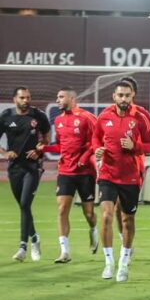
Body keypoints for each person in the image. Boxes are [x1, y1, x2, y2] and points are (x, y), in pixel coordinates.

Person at [92, 81, 150, 282]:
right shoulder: (104, 116)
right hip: (108, 174)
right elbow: (96, 139)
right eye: (120, 95)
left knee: (127, 220)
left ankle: (123, 261)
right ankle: (109, 263)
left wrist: (135, 145)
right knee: (106, 216)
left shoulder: (141, 116)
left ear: (132, 96)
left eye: (127, 95)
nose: (124, 99)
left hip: (131, 176)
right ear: (114, 96)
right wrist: (97, 150)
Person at [42, 87, 99, 263]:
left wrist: (84, 157)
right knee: (61, 210)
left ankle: (93, 230)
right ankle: (64, 252)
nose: (57, 100)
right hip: (65, 171)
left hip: (85, 173)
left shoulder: (87, 117)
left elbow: (97, 141)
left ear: (72, 98)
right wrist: (44, 148)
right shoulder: (58, 120)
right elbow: (60, 146)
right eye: (57, 97)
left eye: (61, 97)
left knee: (89, 213)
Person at [0, 87, 51, 262]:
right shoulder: (6, 116)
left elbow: (46, 136)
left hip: (33, 167)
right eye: (22, 98)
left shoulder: (38, 115)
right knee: (24, 207)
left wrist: (39, 149)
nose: (26, 100)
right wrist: (5, 153)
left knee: (24, 203)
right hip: (14, 168)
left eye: (28, 97)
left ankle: (23, 247)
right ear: (14, 99)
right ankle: (34, 238)